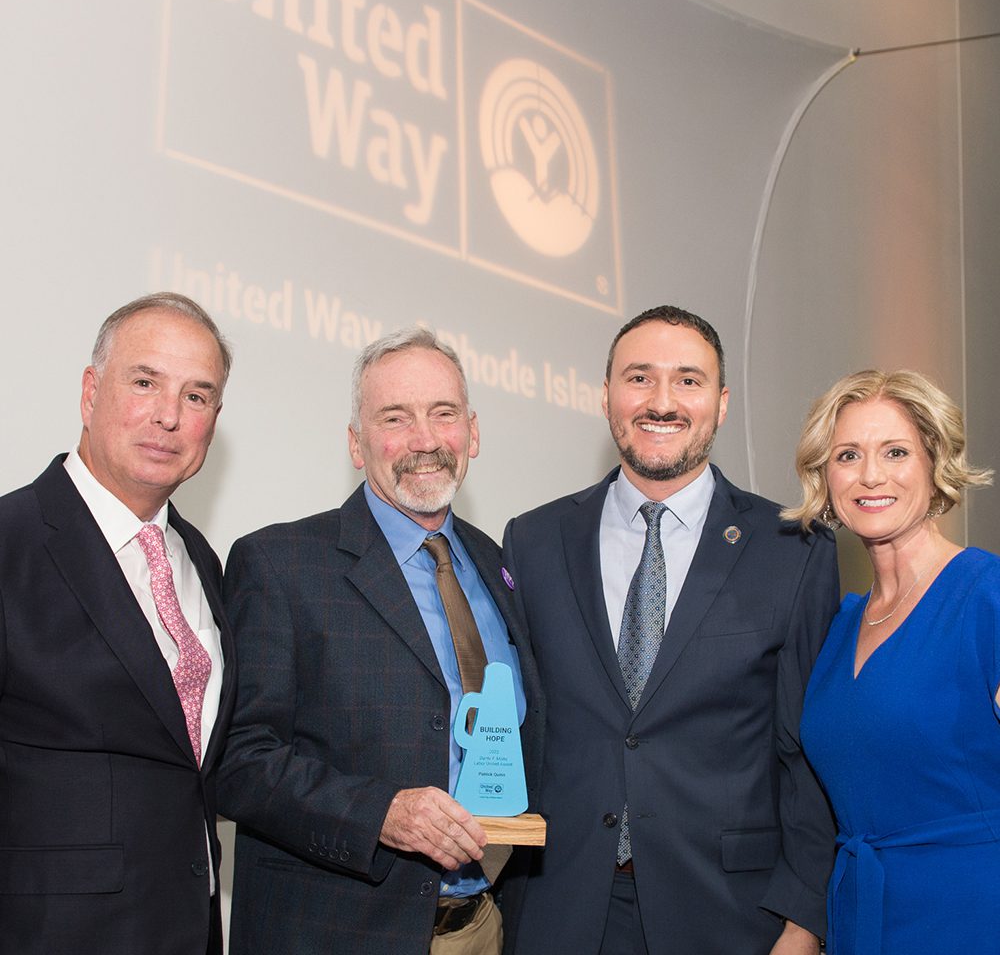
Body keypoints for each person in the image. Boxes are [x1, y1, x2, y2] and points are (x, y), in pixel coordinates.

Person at [502, 305, 840, 955]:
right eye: (639, 378)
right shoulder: (534, 540)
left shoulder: (792, 549)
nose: (662, 401)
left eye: (687, 380)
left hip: (732, 914)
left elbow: (809, 753)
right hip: (559, 907)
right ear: (606, 397)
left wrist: (805, 918)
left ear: (720, 401)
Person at [218, 326, 543, 955]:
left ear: (471, 432)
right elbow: (239, 760)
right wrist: (382, 813)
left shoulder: (499, 566)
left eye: (442, 414)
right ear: (356, 443)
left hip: (484, 927)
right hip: (335, 933)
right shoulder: (280, 563)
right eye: (395, 417)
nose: (425, 441)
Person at [0, 292, 235, 955]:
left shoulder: (203, 564)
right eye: (145, 382)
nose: (168, 415)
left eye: (197, 396)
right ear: (90, 391)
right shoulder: (10, 544)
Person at [784, 369, 997, 955]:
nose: (870, 475)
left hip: (971, 916)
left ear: (935, 464)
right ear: (824, 478)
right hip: (858, 914)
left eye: (896, 452)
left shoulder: (987, 597)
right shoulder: (840, 623)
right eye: (848, 455)